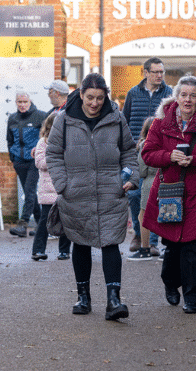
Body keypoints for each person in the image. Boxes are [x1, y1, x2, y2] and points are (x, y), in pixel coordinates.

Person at [46, 73, 138, 320]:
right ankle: (83, 296)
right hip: (76, 192)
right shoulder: (64, 120)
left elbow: (129, 151)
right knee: (81, 242)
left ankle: (114, 300)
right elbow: (53, 153)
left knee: (110, 243)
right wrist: (63, 184)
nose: (95, 103)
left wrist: (128, 178)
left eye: (99, 98)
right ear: (81, 94)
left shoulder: (116, 119)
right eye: (90, 97)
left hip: (111, 191)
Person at [142, 75, 196, 314]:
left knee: (194, 250)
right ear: (176, 96)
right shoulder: (161, 124)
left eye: (193, 95)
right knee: (172, 249)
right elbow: (147, 154)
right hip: (169, 194)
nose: (187, 99)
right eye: (183, 94)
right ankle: (171, 284)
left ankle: (192, 298)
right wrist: (169, 156)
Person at [123, 57, 172, 255]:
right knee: (134, 195)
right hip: (136, 153)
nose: (159, 75)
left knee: (154, 195)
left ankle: (151, 242)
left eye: (162, 72)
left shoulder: (170, 94)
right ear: (145, 73)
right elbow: (124, 121)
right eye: (155, 72)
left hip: (160, 152)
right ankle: (138, 233)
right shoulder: (133, 94)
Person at [31, 112, 72, 261]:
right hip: (48, 190)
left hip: (64, 189)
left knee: (66, 221)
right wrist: (58, 159)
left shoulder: (70, 141)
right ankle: (38, 250)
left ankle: (64, 251)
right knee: (45, 221)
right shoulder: (43, 142)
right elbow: (40, 162)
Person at [7, 91, 46, 238]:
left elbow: (45, 135)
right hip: (19, 161)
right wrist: (13, 157)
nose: (22, 105)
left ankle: (22, 224)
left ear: (30, 102)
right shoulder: (12, 118)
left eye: (25, 102)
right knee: (30, 194)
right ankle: (42, 225)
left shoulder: (40, 116)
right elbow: (9, 139)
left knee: (29, 191)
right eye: (19, 102)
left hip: (33, 160)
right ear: (16, 103)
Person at [127, 117, 158, 261]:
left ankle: (145, 248)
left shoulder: (145, 144)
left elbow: (141, 170)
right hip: (164, 182)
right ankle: (157, 245)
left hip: (149, 183)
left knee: (144, 216)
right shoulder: (166, 143)